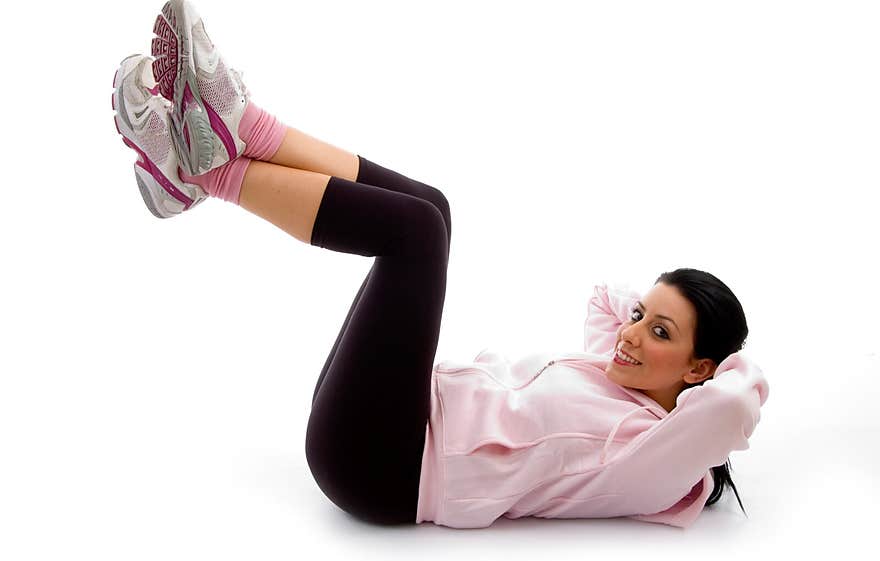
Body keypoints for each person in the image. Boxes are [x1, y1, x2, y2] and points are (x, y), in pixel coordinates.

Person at [112, 0, 770, 530]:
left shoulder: (662, 461)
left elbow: (733, 403)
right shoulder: (614, 374)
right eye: (642, 318)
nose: (630, 332)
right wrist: (651, 324)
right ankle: (240, 130)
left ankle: (211, 165)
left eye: (660, 332)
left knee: (416, 234)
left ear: (701, 370)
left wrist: (715, 358)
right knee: (434, 207)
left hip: (387, 471)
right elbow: (608, 301)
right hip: (386, 418)